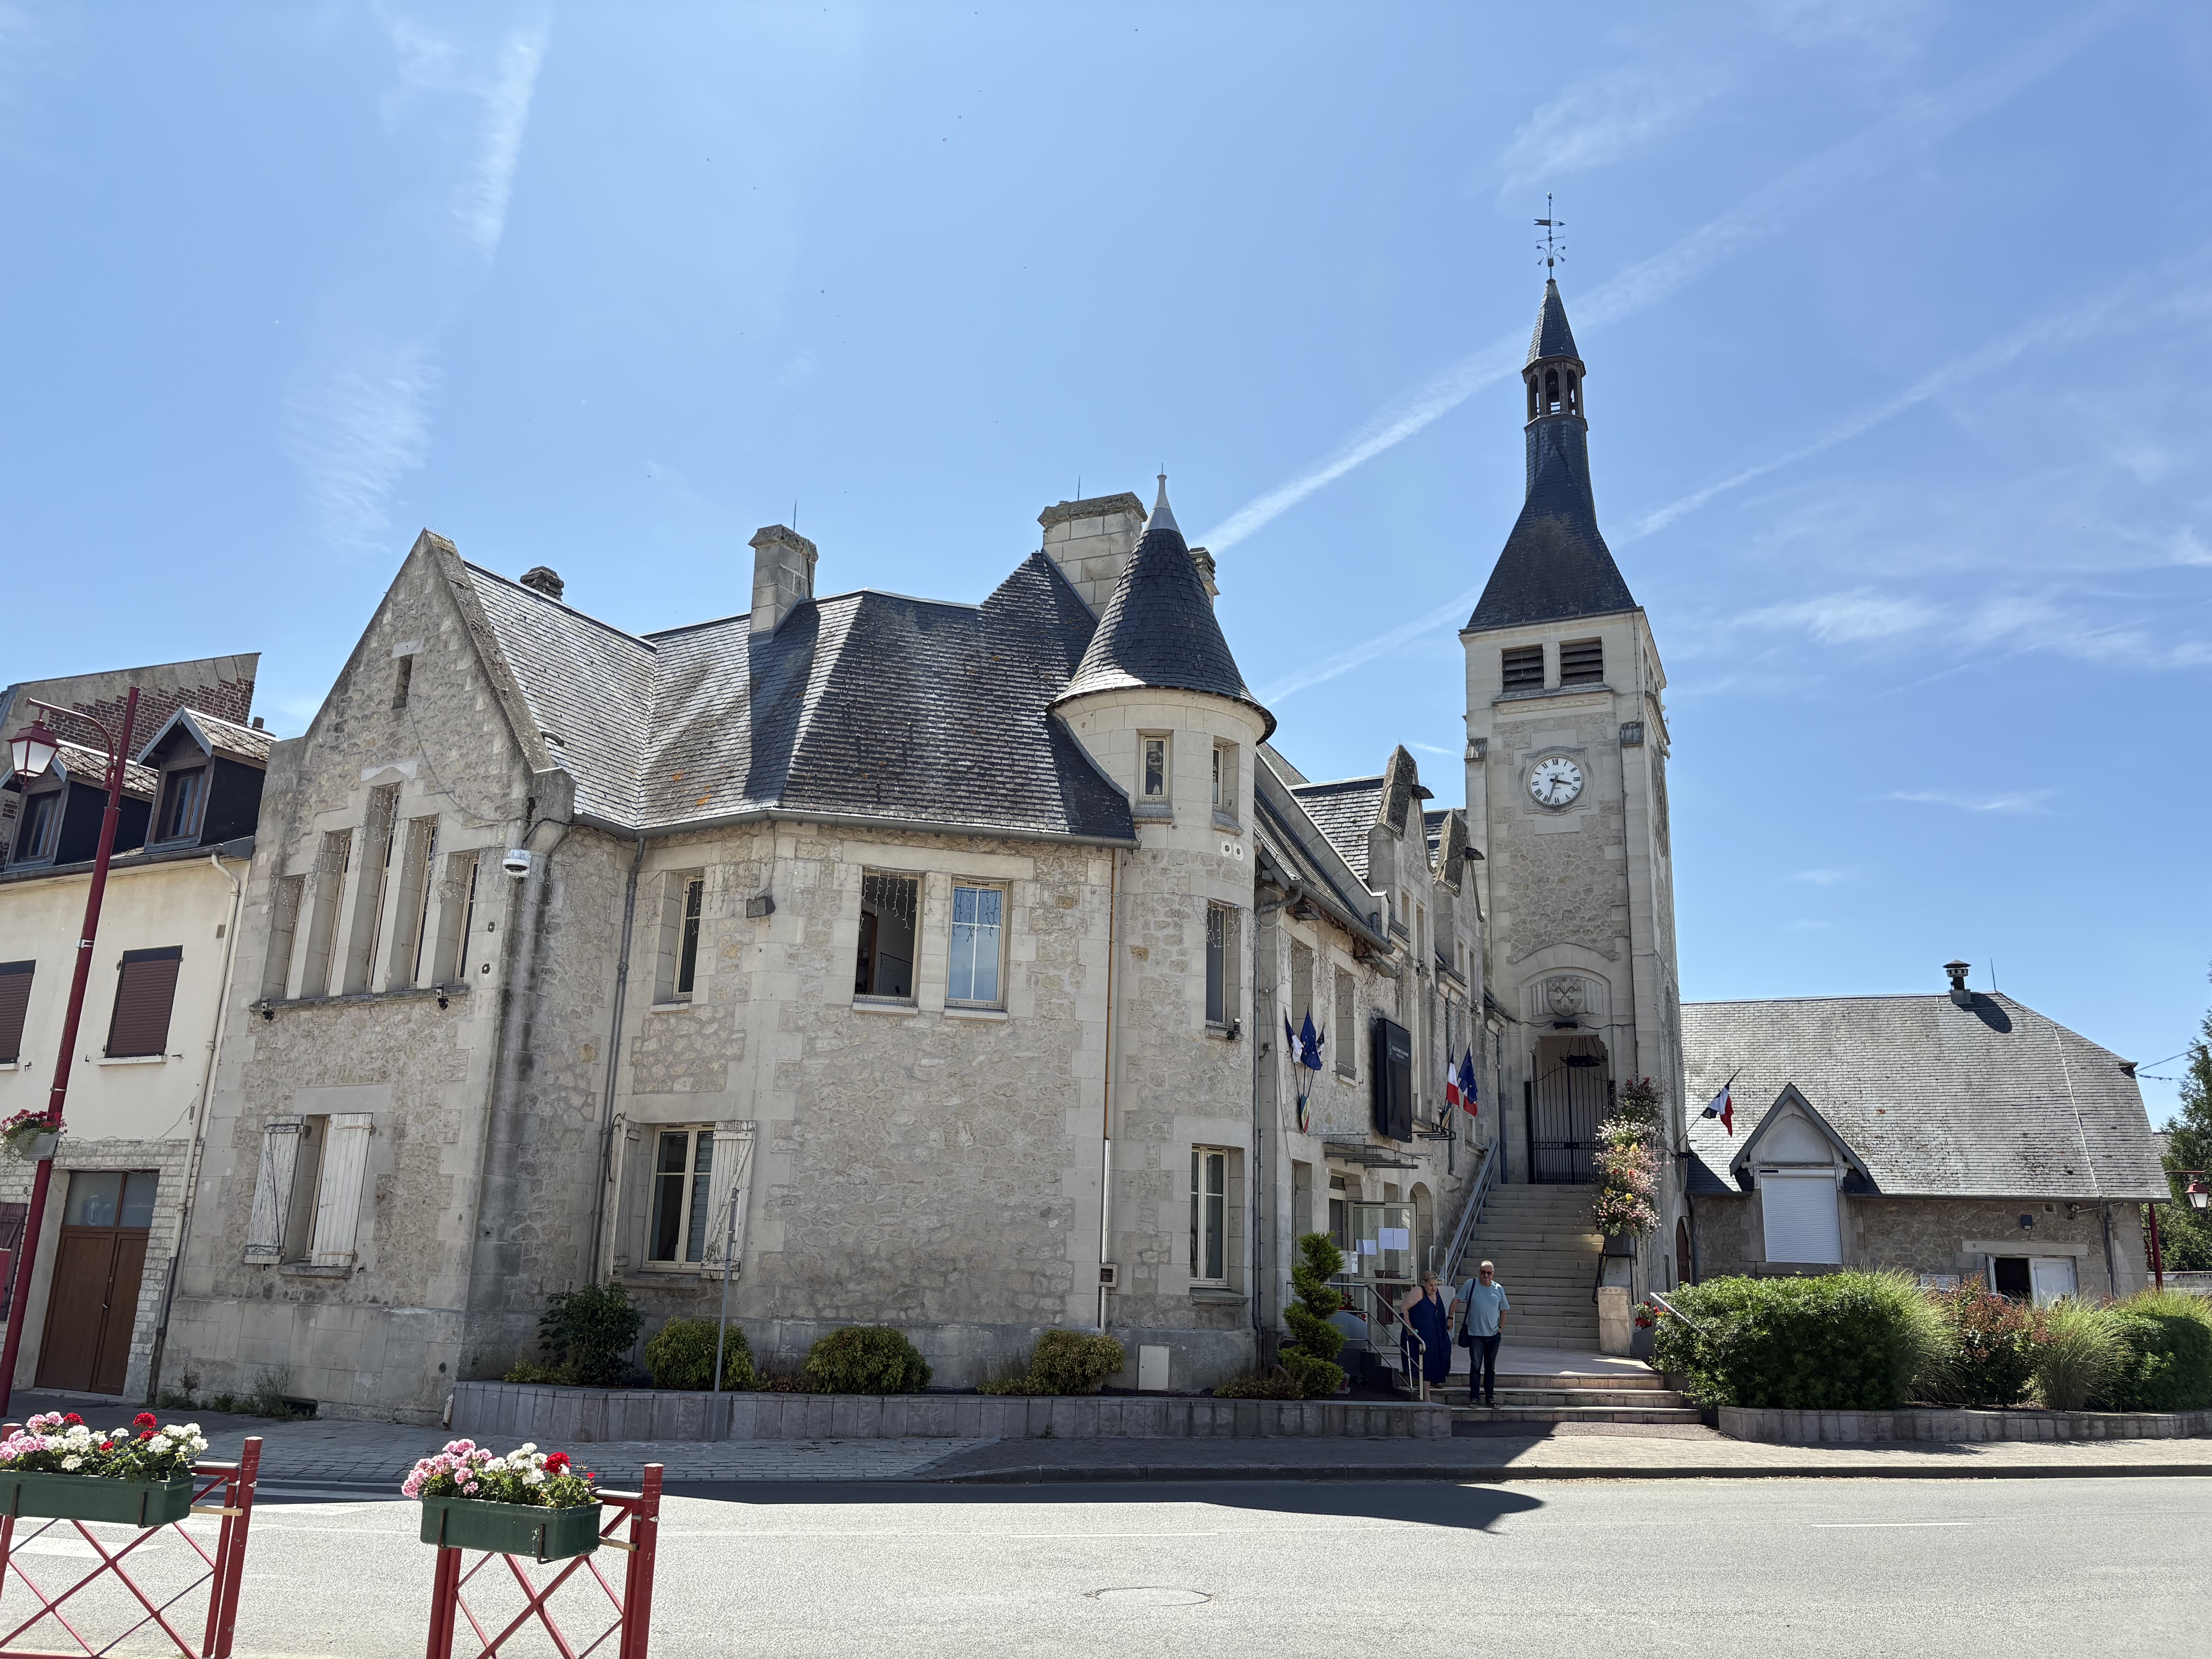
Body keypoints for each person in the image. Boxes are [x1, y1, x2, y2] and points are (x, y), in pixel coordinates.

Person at [1456, 1259, 1509, 1407]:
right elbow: (1456, 1300)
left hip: (1493, 1335)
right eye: (1483, 1272)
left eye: (1489, 1273)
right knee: (1476, 1366)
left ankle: (1490, 1398)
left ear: (1493, 1274)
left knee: (1490, 1368)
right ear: (1479, 1272)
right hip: (1475, 1335)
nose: (1486, 1275)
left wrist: (1501, 1327)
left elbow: (1504, 1309)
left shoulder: (1499, 1289)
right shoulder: (1470, 1284)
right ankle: (1474, 1398)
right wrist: (1450, 1317)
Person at [1398, 1273, 1452, 1395]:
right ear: (1424, 1282)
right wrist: (1408, 1326)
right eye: (1431, 1285)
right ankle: (1426, 1395)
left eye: (1436, 1285)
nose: (1434, 1288)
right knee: (1427, 1360)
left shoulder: (1437, 1292)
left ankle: (1437, 1379)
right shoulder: (1418, 1291)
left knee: (1445, 1353)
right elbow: (1404, 1308)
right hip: (1422, 1333)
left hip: (1437, 1331)